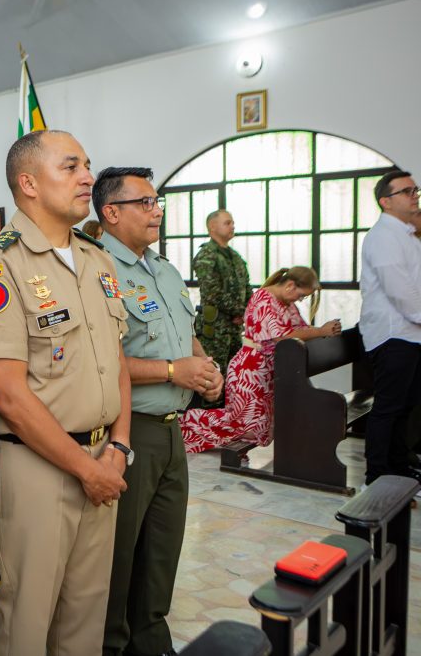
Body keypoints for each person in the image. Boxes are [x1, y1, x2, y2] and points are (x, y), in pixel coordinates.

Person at [0, 130, 130, 656]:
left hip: (105, 458)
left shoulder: (96, 259)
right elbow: (7, 393)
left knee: (87, 613)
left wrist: (119, 449)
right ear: (28, 183)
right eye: (71, 167)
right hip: (38, 468)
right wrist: (86, 470)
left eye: (87, 165)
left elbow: (117, 363)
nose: (88, 177)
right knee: (30, 618)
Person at [93, 167, 223, 656]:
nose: (156, 211)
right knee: (119, 554)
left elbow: (182, 332)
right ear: (111, 212)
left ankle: (150, 640)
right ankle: (111, 644)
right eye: (144, 202)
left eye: (156, 202)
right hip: (130, 430)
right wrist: (174, 370)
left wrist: (205, 367)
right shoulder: (97, 269)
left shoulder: (164, 268)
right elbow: (102, 362)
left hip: (173, 432)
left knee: (162, 550)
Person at [181, 266, 340, 453]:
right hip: (249, 372)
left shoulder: (286, 304)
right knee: (241, 424)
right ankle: (184, 425)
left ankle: (192, 434)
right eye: (301, 296)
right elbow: (281, 336)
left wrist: (323, 332)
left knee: (258, 429)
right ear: (290, 286)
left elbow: (302, 330)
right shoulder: (263, 299)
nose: (300, 300)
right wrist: (320, 331)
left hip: (266, 373)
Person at [359, 171, 421, 485]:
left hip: (411, 333)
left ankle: (398, 467)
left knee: (405, 406)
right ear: (386, 201)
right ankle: (377, 476)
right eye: (406, 191)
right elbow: (400, 290)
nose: (414, 195)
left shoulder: (406, 234)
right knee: (388, 407)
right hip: (392, 333)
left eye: (415, 189)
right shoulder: (383, 236)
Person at [192, 209, 251, 404]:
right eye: (227, 222)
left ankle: (229, 423)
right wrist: (239, 312)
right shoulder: (207, 255)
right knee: (213, 378)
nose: (232, 226)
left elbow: (246, 288)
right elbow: (212, 292)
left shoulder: (235, 257)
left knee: (235, 376)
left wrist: (247, 312)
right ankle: (207, 426)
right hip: (215, 330)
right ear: (212, 227)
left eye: (232, 222)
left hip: (234, 328)